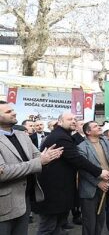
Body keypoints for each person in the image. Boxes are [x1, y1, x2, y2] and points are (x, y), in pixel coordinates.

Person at [34, 112, 109, 235]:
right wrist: (99, 172)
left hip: (59, 190)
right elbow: (76, 159)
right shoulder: (60, 137)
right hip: (53, 191)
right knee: (48, 227)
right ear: (59, 122)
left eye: (75, 119)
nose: (74, 121)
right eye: (69, 119)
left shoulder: (64, 135)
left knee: (56, 226)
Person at [0, 100, 63, 235]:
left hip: (25, 200)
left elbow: (38, 156)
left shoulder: (22, 135)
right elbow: (3, 172)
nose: (14, 112)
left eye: (12, 110)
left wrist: (46, 157)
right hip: (3, 204)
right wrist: (40, 161)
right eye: (8, 111)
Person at [77, 121, 109, 235]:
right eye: (95, 126)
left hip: (105, 185)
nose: (99, 127)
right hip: (90, 189)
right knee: (89, 221)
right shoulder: (81, 147)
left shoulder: (104, 141)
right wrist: (98, 183)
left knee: (100, 219)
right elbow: (83, 169)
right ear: (88, 132)